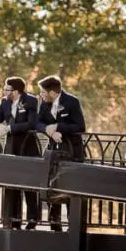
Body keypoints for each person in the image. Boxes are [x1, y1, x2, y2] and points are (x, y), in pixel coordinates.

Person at [36, 74, 86, 232]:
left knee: (71, 188)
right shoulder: (44, 104)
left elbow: (80, 126)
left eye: (43, 92)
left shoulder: (72, 101)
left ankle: (73, 226)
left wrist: (58, 127)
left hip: (71, 151)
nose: (41, 95)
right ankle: (54, 224)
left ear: (52, 93)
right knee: (51, 185)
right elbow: (37, 122)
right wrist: (49, 132)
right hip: (53, 151)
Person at [0, 76, 40, 229]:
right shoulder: (4, 103)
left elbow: (32, 123)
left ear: (16, 91)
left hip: (28, 147)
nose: (4, 92)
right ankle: (14, 220)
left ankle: (33, 220)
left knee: (29, 186)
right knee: (11, 184)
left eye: (7, 89)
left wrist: (10, 128)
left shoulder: (30, 101)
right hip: (11, 147)